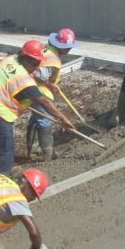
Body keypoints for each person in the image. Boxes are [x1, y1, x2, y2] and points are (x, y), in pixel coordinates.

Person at [0, 40, 76, 175]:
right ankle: (2, 177)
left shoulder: (10, 60)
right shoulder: (24, 80)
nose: (36, 68)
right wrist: (63, 118)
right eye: (34, 64)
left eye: (38, 64)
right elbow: (44, 102)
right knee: (6, 149)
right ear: (26, 59)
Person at [26, 28, 78, 161]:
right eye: (68, 48)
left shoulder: (48, 50)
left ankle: (32, 150)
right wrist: (50, 84)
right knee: (46, 121)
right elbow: (38, 75)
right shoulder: (53, 59)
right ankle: (48, 156)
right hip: (38, 92)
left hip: (31, 89)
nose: (69, 50)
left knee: (36, 119)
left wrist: (51, 84)